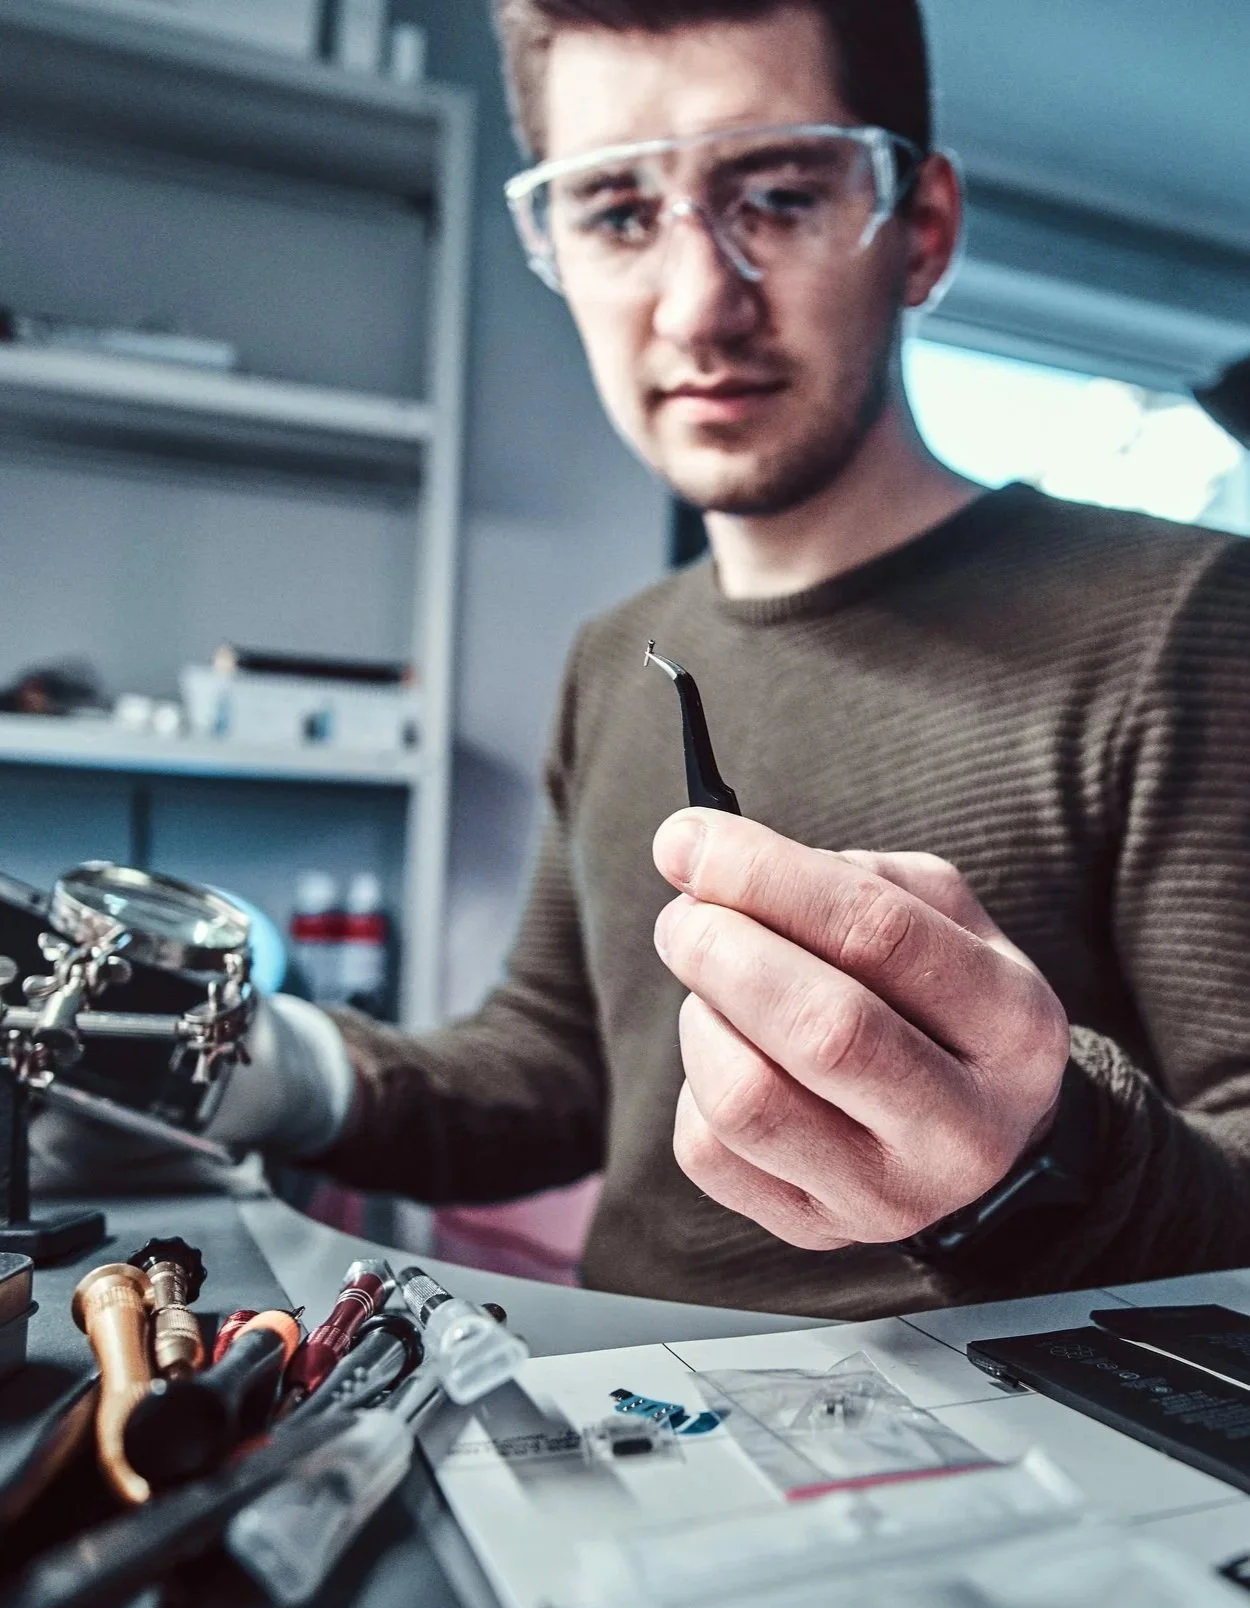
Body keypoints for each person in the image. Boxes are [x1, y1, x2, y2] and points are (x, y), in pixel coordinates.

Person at [35, 0, 1250, 1320]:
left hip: (998, 1478)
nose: (696, 305)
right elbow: (551, 1072)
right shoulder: (615, 654)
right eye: (617, 211)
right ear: (553, 243)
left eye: (777, 194)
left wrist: (1040, 1161)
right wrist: (262, 1064)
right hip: (596, 1425)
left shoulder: (1183, 617)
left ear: (921, 229)